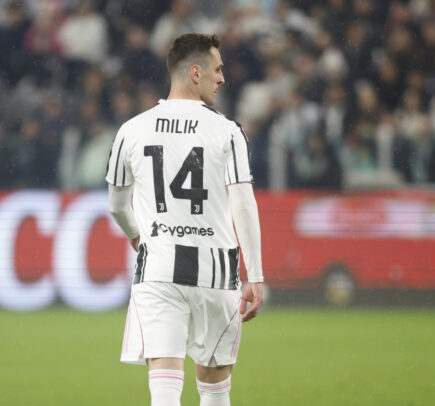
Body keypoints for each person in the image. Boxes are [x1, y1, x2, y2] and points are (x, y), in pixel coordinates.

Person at [106, 33, 264, 406]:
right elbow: (244, 204)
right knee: (214, 390)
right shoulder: (228, 131)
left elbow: (116, 204)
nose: (222, 78)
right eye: (217, 69)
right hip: (216, 274)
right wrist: (254, 275)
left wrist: (136, 235)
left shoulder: (132, 130)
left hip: (159, 270)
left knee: (164, 390)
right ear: (196, 73)